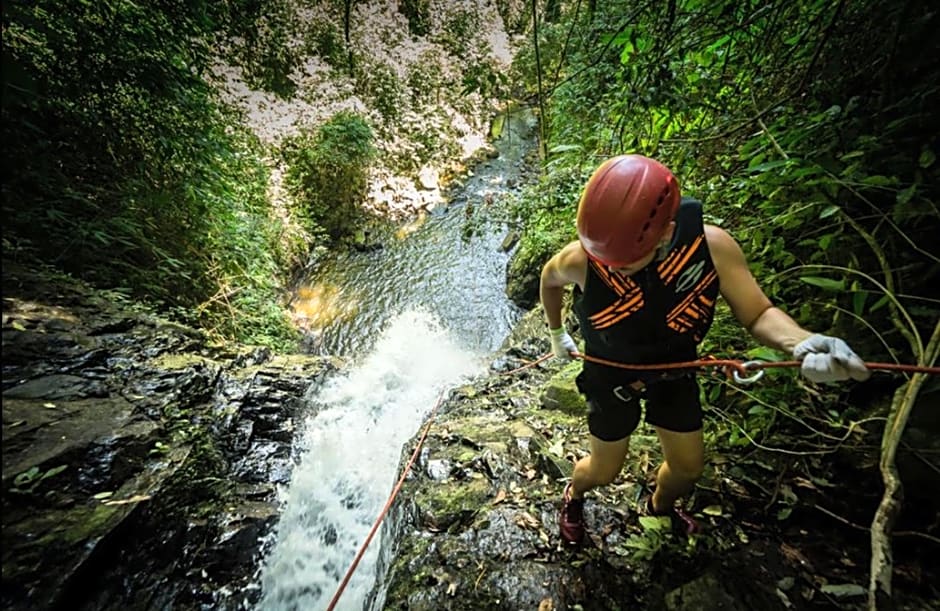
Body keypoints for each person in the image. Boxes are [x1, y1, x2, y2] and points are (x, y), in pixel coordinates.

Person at [539, 154, 870, 546]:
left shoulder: (712, 249)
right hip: (610, 372)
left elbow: (758, 312)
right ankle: (574, 496)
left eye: (623, 265)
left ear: (666, 233)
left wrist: (798, 342)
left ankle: (658, 508)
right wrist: (557, 333)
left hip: (675, 368)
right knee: (603, 471)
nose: (609, 268)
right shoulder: (583, 259)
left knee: (688, 468)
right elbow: (549, 279)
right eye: (602, 260)